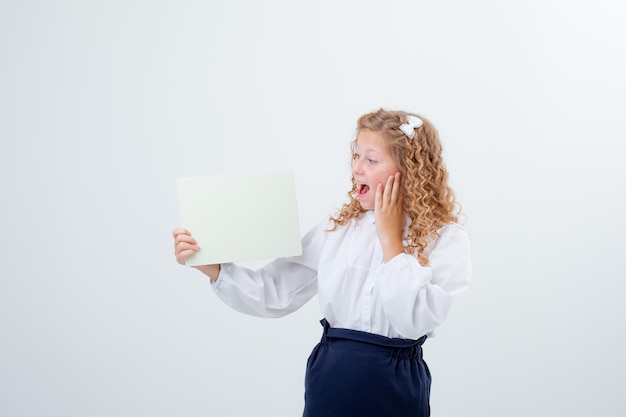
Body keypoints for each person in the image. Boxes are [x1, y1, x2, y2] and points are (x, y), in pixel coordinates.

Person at [172, 108, 471, 417]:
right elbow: (275, 292)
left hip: (395, 383)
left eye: (371, 159)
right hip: (333, 377)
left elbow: (414, 320)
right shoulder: (339, 230)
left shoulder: (446, 239)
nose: (356, 168)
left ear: (409, 169)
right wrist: (212, 267)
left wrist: (390, 240)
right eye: (356, 156)